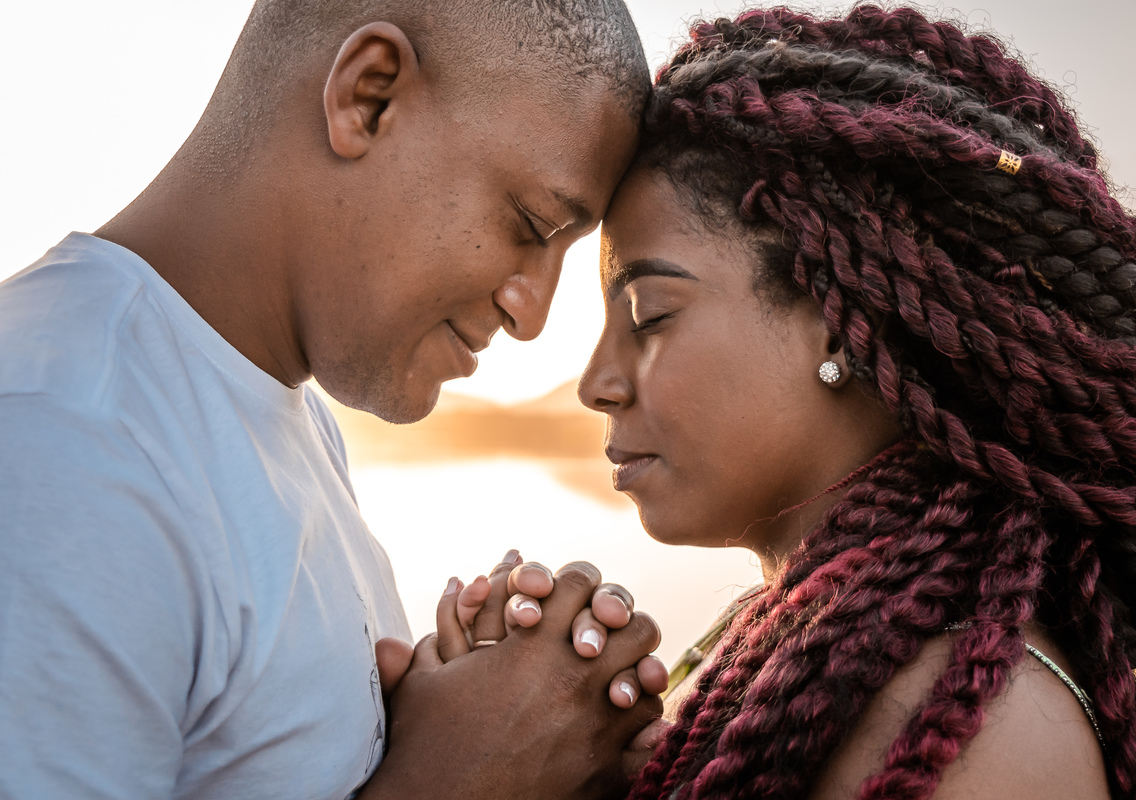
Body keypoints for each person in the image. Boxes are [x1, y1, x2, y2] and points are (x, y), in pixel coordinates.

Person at [0, 1, 668, 798]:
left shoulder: (282, 416)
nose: (531, 315)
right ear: (368, 95)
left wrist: (494, 722)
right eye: (530, 223)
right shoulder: (58, 444)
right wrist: (464, 780)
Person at [579, 6, 1136, 798]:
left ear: (842, 324)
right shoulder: (823, 672)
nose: (596, 381)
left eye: (649, 317)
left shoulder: (965, 738)